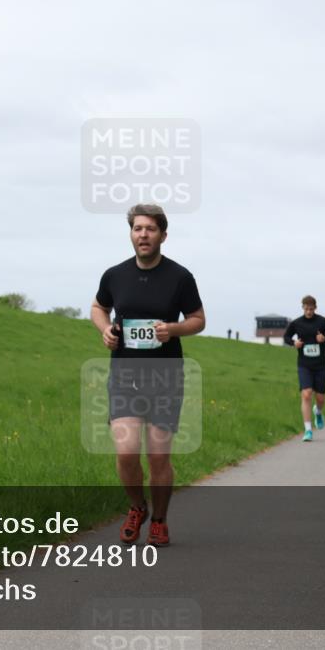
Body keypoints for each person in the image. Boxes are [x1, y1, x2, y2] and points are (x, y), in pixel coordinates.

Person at [91, 204, 205, 547]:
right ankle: (137, 507)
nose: (143, 234)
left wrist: (173, 329)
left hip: (165, 377)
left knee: (158, 457)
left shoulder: (180, 277)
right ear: (131, 233)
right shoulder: (115, 275)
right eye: (137, 228)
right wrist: (105, 330)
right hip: (124, 376)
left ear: (163, 236)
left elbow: (198, 319)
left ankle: (159, 519)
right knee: (126, 453)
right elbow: (99, 307)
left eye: (150, 229)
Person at [283, 295, 325, 442]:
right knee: (307, 394)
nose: (308, 311)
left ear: (315, 308)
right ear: (302, 308)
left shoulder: (323, 321)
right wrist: (293, 343)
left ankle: (318, 412)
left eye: (311, 309)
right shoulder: (297, 323)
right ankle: (308, 430)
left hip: (321, 365)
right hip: (304, 364)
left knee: (320, 398)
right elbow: (286, 337)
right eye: (306, 309)